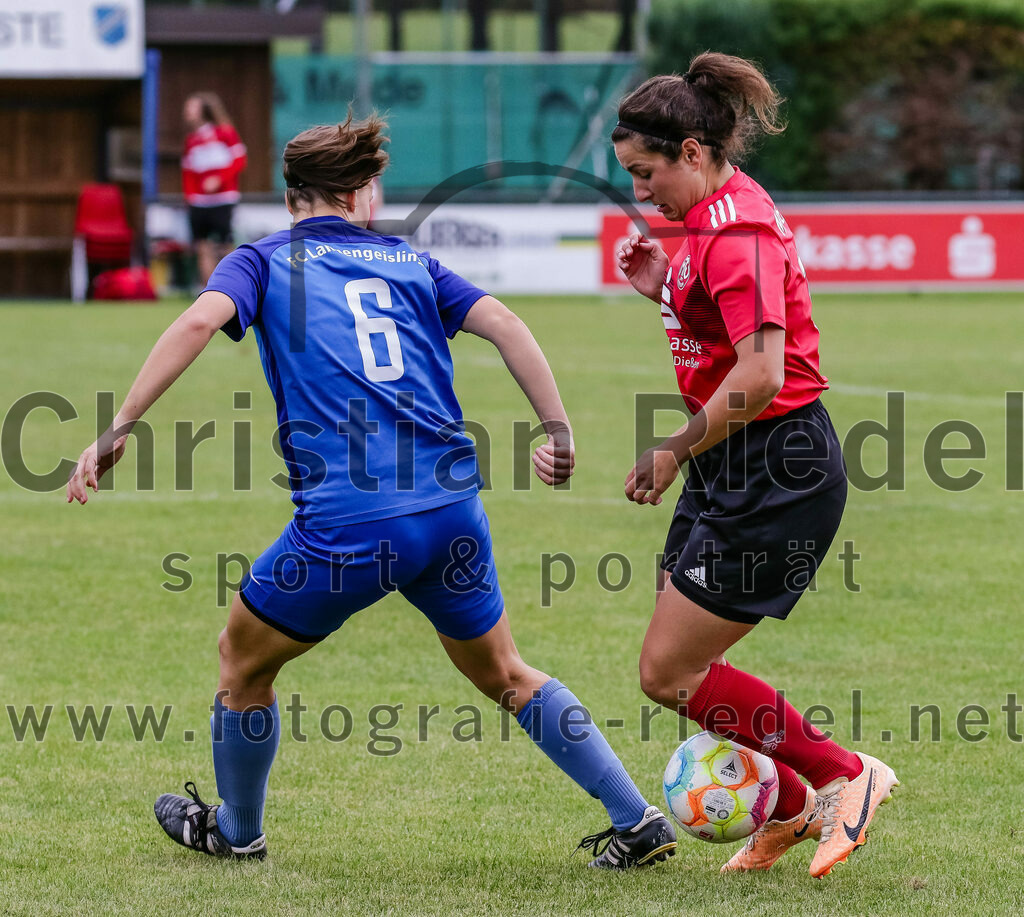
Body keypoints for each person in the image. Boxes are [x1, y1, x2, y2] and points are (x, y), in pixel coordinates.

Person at [66, 115, 676, 870]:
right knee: (507, 672)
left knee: (242, 663)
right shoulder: (412, 262)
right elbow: (508, 324)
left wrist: (119, 425)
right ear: (357, 191)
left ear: (295, 197)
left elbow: (197, 320)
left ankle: (237, 828)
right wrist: (557, 429)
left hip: (349, 523)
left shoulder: (261, 260)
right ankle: (635, 816)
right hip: (451, 511)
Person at [610, 53, 899, 878]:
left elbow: (763, 372)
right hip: (733, 466)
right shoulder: (708, 220)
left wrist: (670, 449)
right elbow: (721, 330)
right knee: (678, 669)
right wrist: (668, 287)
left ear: (692, 152)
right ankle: (793, 807)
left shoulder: (737, 230)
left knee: (669, 669)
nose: (640, 193)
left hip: (779, 468)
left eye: (645, 173)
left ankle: (847, 775)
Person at [182, 92, 247, 288]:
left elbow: (239, 160)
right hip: (199, 203)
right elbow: (188, 173)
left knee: (225, 245)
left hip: (223, 199)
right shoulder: (191, 141)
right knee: (202, 247)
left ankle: (235, 286)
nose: (187, 111)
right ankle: (208, 289)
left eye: (191, 107)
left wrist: (219, 179)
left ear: (204, 109)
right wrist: (190, 197)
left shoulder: (225, 133)